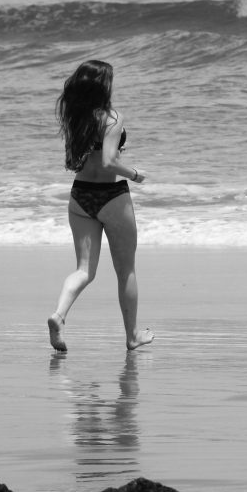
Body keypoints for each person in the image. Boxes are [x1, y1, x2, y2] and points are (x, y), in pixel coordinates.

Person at [48, 60, 154, 352]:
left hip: (80, 196)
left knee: (84, 270)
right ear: (101, 86)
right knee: (126, 270)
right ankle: (133, 336)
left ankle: (59, 315)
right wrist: (134, 174)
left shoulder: (76, 117)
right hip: (111, 195)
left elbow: (77, 160)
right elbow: (109, 161)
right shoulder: (111, 118)